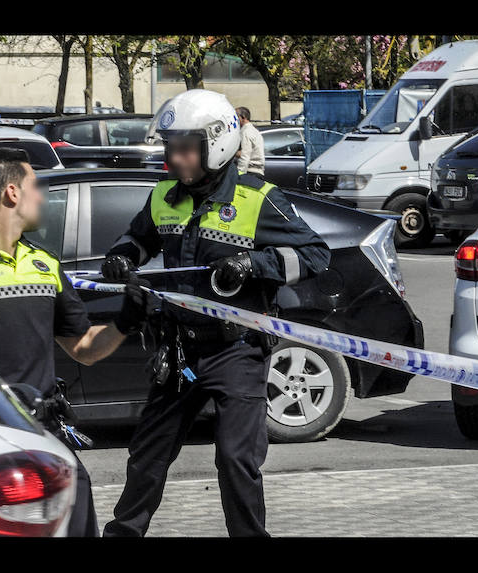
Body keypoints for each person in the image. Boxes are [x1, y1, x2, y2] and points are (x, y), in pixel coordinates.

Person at [100, 89, 331, 537]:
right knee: (147, 455)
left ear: (217, 144)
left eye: (185, 148)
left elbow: (317, 255)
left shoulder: (258, 199)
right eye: (171, 147)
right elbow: (136, 239)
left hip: (237, 350)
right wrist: (121, 257)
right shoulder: (164, 195)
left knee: (235, 459)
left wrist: (253, 264)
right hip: (179, 351)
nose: (176, 158)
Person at [0, 147, 151, 537]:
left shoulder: (46, 265)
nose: (43, 195)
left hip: (43, 432)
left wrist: (126, 321)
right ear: (12, 193)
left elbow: (84, 349)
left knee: (78, 503)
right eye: (35, 186)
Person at [235, 106, 265, 178]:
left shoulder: (246, 132)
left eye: (236, 117)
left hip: (250, 172)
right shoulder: (254, 131)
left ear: (243, 117)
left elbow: (244, 156)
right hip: (257, 172)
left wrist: (239, 175)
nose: (234, 120)